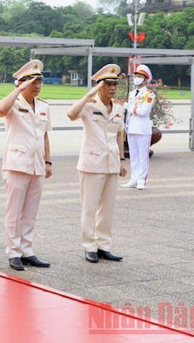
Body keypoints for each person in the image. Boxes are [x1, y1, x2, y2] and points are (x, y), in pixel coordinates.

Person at [67, 64, 127, 264]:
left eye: (114, 85)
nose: (112, 88)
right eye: (108, 84)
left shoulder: (118, 108)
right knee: (90, 207)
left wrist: (122, 160)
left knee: (107, 208)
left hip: (111, 163)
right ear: (99, 86)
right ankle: (89, 246)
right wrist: (88, 94)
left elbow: (120, 134)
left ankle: (104, 245)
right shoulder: (89, 106)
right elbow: (71, 114)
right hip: (91, 163)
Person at [0, 59, 53, 272]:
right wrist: (19, 89)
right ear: (21, 83)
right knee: (14, 211)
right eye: (33, 82)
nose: (37, 86)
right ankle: (13, 252)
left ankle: (27, 250)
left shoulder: (44, 106)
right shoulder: (14, 103)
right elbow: (1, 110)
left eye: (39, 81)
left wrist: (48, 161)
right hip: (17, 164)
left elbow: (45, 135)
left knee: (30, 211)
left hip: (37, 165)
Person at [122, 64, 155, 190]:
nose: (137, 78)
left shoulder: (149, 94)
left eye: (140, 76)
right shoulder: (131, 94)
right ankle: (134, 179)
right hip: (131, 128)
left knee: (142, 157)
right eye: (136, 75)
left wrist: (128, 107)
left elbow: (142, 112)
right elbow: (131, 112)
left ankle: (142, 180)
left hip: (142, 129)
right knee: (134, 157)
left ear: (145, 79)